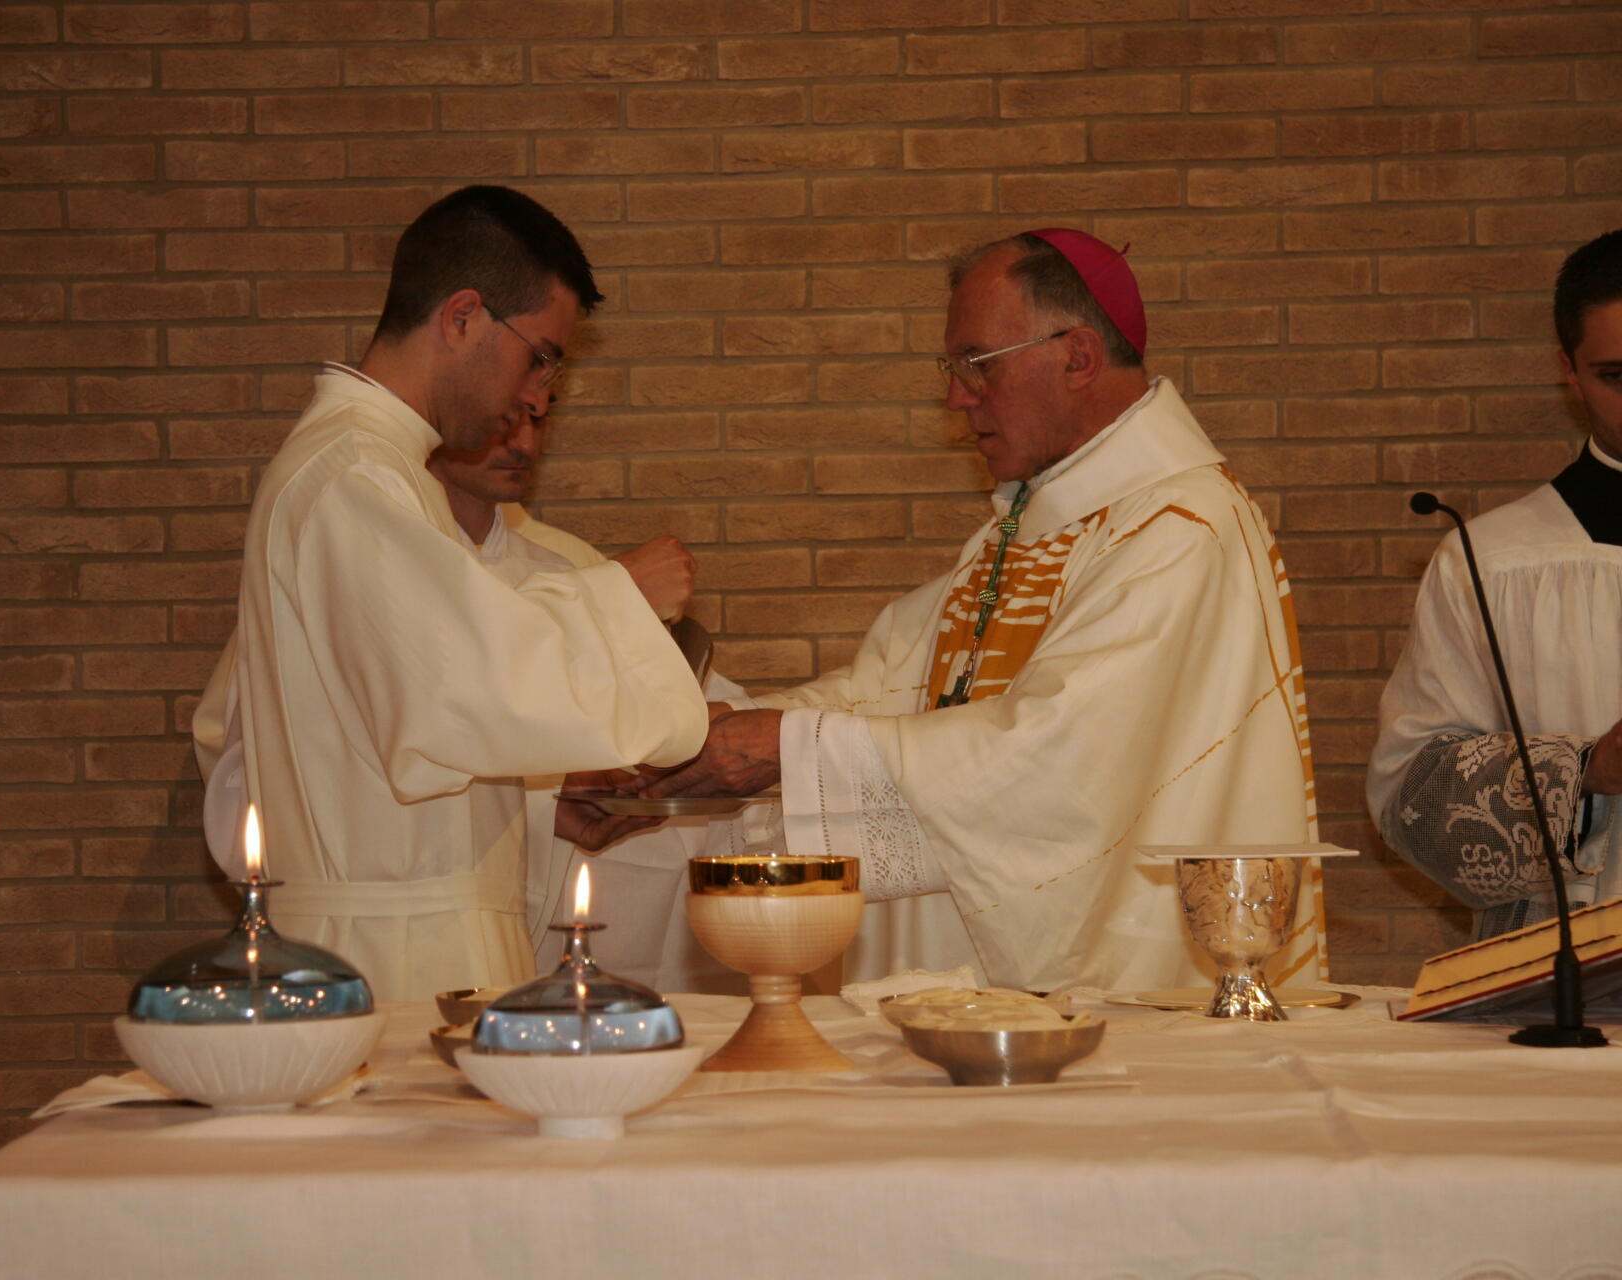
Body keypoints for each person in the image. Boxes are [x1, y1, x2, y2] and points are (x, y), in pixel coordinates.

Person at [645, 229, 1327, 994]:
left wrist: (787, 746)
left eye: (978, 364)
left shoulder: (1181, 531)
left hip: (1128, 990)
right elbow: (898, 692)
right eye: (953, 368)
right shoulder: (1033, 525)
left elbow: (1058, 762)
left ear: (1077, 357)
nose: (956, 397)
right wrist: (717, 732)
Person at [192, 186, 709, 1002]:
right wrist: (620, 598)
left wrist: (540, 804)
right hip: (387, 959)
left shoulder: (380, 470)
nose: (537, 395)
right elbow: (455, 687)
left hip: (419, 936)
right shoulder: (351, 475)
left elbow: (386, 751)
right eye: (539, 356)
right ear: (463, 316)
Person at [423, 402, 749, 992]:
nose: (522, 443)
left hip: (518, 916)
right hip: (407, 905)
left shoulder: (566, 567)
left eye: (538, 419)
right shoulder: (390, 566)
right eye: (503, 418)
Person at [1368, 229, 1622, 942]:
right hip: (1571, 975)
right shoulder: (1493, 562)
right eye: (1618, 376)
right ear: (1569, 372)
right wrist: (1585, 771)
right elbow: (1410, 794)